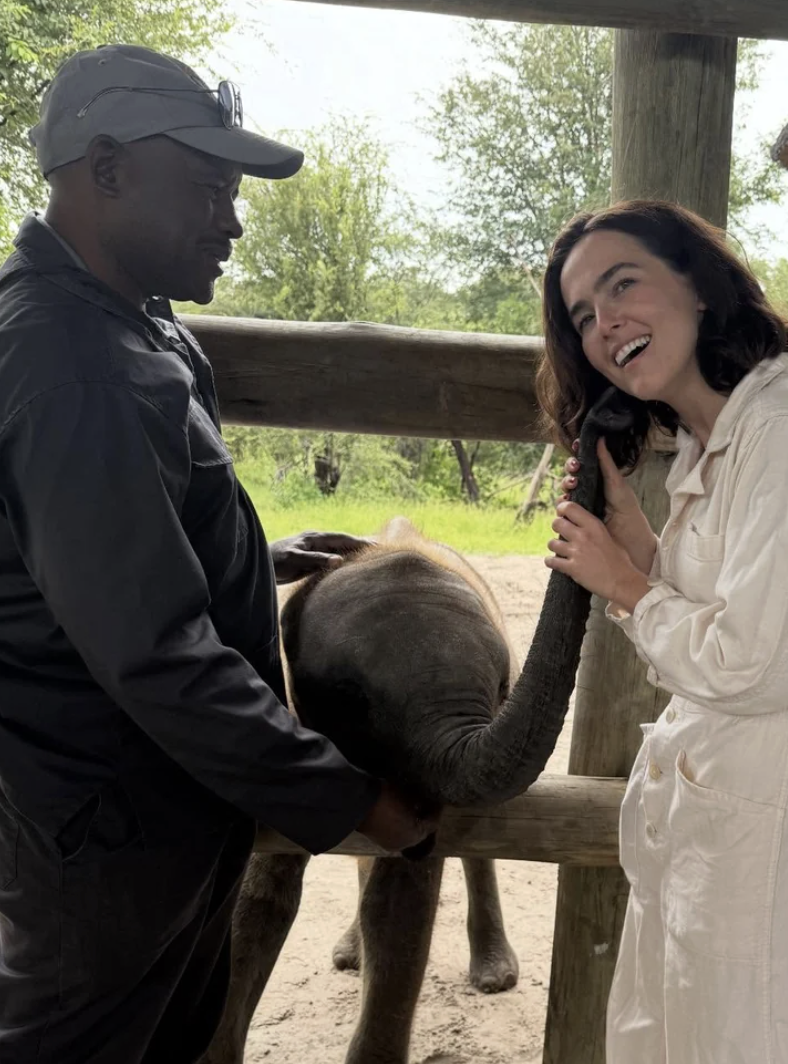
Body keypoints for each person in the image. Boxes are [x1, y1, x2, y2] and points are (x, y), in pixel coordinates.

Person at [0, 44, 436, 1063]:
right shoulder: (74, 365)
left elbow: (97, 543)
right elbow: (153, 651)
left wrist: (243, 552)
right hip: (109, 826)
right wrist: (345, 798)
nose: (232, 222)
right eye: (207, 189)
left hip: (145, 807)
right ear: (105, 170)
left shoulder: (128, 322)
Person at [538, 200, 788, 1064]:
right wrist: (638, 548)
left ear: (695, 281)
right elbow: (732, 605)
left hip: (761, 825)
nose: (605, 324)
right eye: (583, 315)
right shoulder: (713, 443)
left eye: (622, 285)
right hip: (709, 820)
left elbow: (753, 663)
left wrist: (621, 584)